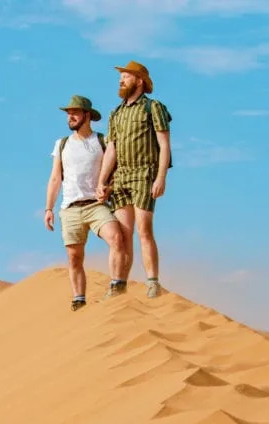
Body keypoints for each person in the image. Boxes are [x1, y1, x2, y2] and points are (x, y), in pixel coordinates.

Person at [96, 60, 172, 298]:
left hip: (144, 173)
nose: (121, 80)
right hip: (121, 177)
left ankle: (152, 282)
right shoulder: (115, 113)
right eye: (121, 77)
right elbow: (112, 149)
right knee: (123, 234)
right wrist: (102, 180)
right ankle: (120, 285)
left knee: (144, 230)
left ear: (139, 81)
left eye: (127, 76)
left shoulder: (153, 107)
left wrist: (161, 177)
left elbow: (164, 144)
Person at [44, 95, 127, 311]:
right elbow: (55, 178)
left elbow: (117, 170)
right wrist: (48, 208)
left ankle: (118, 285)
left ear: (87, 115)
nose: (70, 117)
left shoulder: (102, 141)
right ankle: (78, 300)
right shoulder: (62, 144)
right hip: (70, 208)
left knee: (116, 237)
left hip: (96, 206)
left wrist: (108, 187)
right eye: (68, 113)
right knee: (74, 258)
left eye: (75, 112)